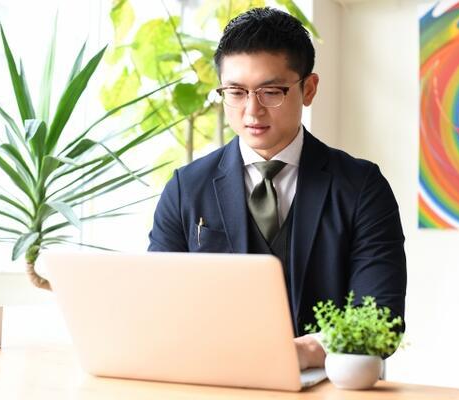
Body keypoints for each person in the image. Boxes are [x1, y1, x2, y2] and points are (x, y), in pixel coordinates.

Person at [148, 7, 406, 370]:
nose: (252, 111)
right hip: (213, 381)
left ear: (309, 88)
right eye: (235, 92)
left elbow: (381, 320)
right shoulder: (185, 188)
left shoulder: (362, 187)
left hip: (327, 386)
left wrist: (300, 353)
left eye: (271, 92)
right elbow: (159, 307)